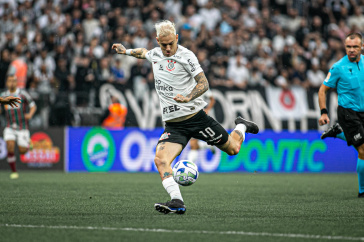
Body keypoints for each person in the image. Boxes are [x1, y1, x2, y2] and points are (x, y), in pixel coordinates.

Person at [112, 20, 259, 214]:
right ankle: (177, 202)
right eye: (163, 44)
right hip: (174, 126)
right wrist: (126, 51)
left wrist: (189, 97)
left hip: (196, 119)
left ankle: (241, 126)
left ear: (177, 38)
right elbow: (143, 53)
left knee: (233, 149)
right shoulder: (156, 54)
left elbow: (203, 83)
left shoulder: (187, 56)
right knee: (160, 160)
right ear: (157, 41)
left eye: (170, 43)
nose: (167, 48)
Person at [318, 33, 364, 198]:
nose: (351, 50)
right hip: (348, 113)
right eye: (348, 47)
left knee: (362, 151)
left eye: (355, 47)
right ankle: (362, 191)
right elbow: (322, 90)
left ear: (361, 47)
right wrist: (324, 112)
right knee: (363, 150)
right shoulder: (338, 67)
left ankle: (339, 133)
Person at [0, 75, 36, 179]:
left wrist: (29, 114)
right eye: (9, 81)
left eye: (14, 81)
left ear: (17, 83)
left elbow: (33, 105)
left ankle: (28, 144)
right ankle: (14, 171)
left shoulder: (22, 94)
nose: (12, 83)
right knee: (10, 147)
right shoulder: (3, 95)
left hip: (22, 126)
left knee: (22, 151)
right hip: (9, 126)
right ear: (6, 83)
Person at [187, 89, 216, 164]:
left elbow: (212, 100)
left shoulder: (202, 87)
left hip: (199, 117)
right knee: (193, 144)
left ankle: (190, 165)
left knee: (193, 143)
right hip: (190, 116)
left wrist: (207, 109)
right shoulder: (187, 87)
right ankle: (207, 145)